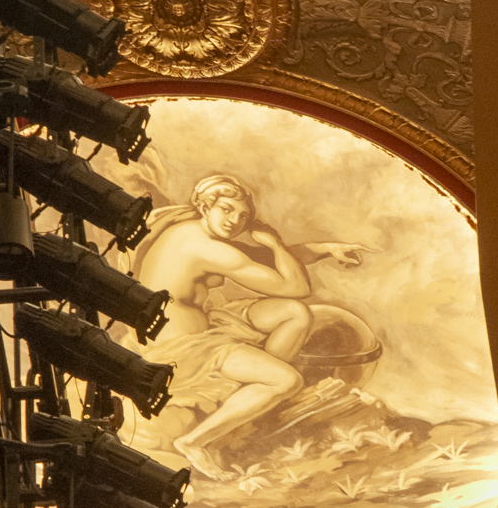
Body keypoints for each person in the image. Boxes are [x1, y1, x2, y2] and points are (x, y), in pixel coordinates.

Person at [129, 175, 368, 480]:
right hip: (183, 348)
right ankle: (194, 441)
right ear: (205, 207)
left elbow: (265, 262)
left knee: (295, 314)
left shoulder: (194, 233)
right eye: (227, 210)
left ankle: (252, 397)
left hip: (208, 328)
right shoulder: (206, 248)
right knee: (287, 381)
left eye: (242, 216)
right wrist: (275, 241)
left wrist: (326, 248)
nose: (235, 221)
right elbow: (295, 285)